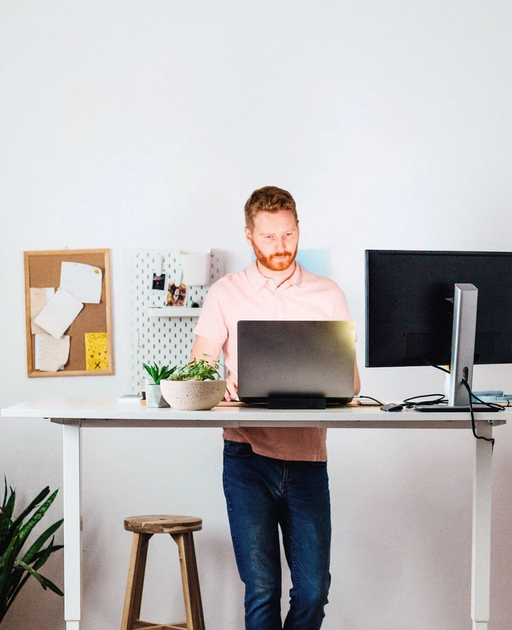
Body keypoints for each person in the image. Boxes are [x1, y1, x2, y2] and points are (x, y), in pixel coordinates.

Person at [191, 186, 360, 630]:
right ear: (249, 236)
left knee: (313, 592)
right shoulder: (225, 293)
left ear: (298, 228)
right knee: (262, 590)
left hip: (308, 458)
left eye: (288, 234)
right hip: (246, 458)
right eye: (269, 237)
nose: (281, 246)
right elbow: (198, 369)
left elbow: (351, 383)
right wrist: (220, 383)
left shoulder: (328, 294)